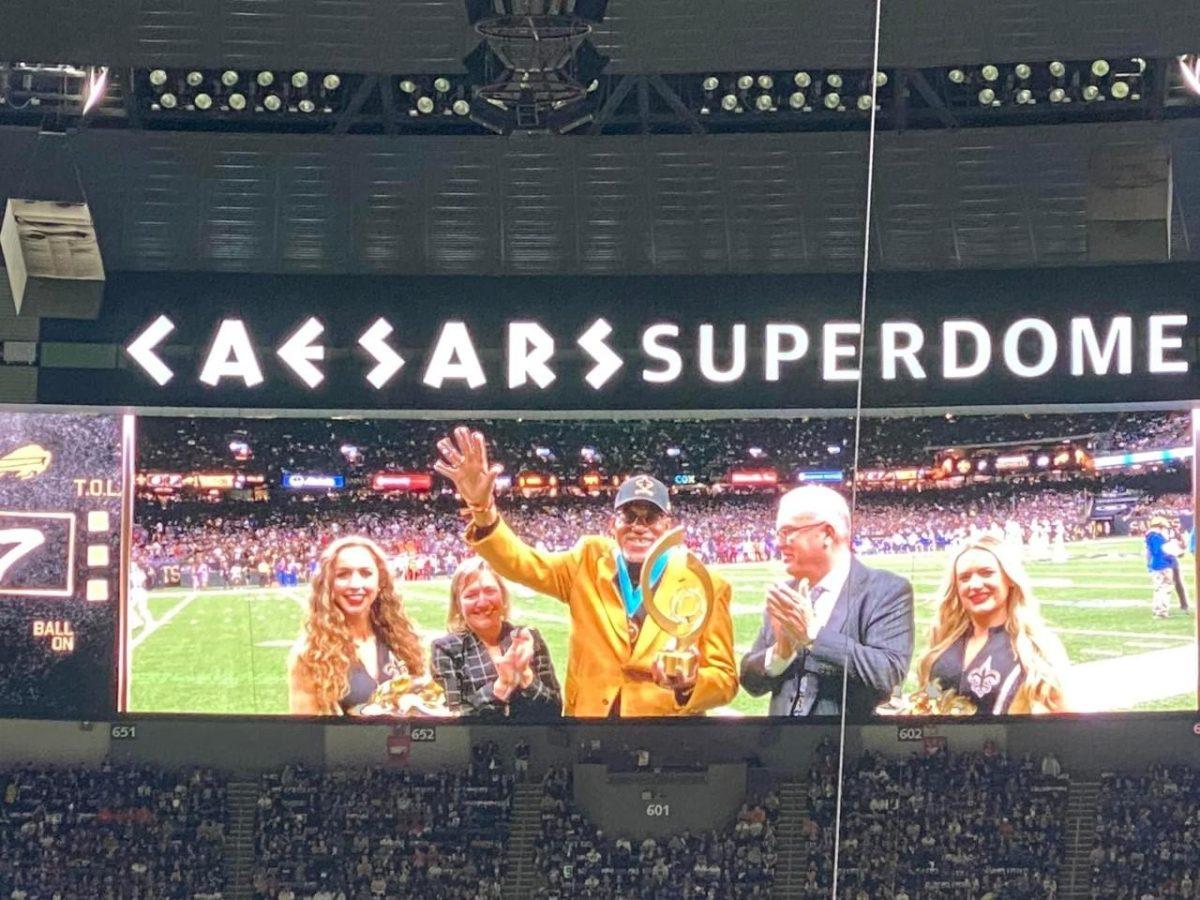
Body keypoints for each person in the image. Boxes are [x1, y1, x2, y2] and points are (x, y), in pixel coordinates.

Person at [434, 426, 737, 717]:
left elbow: (725, 679)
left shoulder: (706, 584)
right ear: (612, 525)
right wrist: (482, 508)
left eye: (651, 517)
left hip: (665, 732)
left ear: (667, 525)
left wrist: (689, 685)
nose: (639, 527)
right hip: (591, 726)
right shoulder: (587, 561)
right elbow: (520, 562)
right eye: (629, 516)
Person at [740, 485, 914, 718]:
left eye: (787, 531)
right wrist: (780, 654)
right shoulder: (786, 593)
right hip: (781, 746)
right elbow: (751, 683)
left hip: (847, 747)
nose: (779, 543)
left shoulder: (886, 590)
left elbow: (888, 674)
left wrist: (813, 635)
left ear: (827, 534)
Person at [916, 535, 1069, 714]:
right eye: (964, 578)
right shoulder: (943, 642)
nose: (975, 584)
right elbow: (929, 699)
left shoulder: (1036, 646)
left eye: (987, 573)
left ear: (1009, 578)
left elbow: (1068, 721)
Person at [287, 535, 425, 715]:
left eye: (366, 573)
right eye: (343, 575)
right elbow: (305, 734)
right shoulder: (310, 655)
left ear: (381, 581)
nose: (355, 584)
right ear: (328, 583)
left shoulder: (405, 640)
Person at [430, 557, 561, 718]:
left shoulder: (528, 639)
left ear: (503, 597)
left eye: (490, 591)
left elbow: (555, 709)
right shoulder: (446, 650)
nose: (483, 602)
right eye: (471, 595)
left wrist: (526, 675)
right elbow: (453, 717)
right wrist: (501, 687)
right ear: (458, 604)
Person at [1145, 516, 1182, 619]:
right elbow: (1160, 551)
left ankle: (1157, 610)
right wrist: (1172, 555)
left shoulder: (1150, 536)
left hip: (1155, 565)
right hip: (1163, 565)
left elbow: (1150, 553)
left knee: (1158, 588)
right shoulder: (1157, 536)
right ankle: (1162, 611)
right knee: (1165, 588)